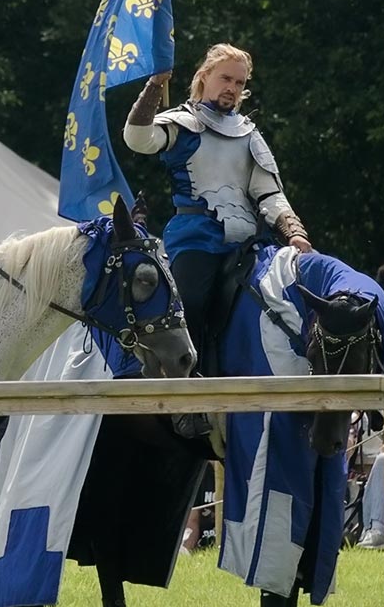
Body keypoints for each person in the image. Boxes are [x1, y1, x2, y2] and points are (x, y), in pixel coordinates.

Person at [121, 42, 308, 378]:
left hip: (248, 242)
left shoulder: (250, 135)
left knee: (284, 297)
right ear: (205, 77)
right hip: (196, 240)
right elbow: (137, 138)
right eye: (226, 79)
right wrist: (154, 87)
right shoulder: (183, 123)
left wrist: (294, 233)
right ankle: (185, 391)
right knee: (188, 307)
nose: (232, 88)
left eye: (239, 82)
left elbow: (269, 194)